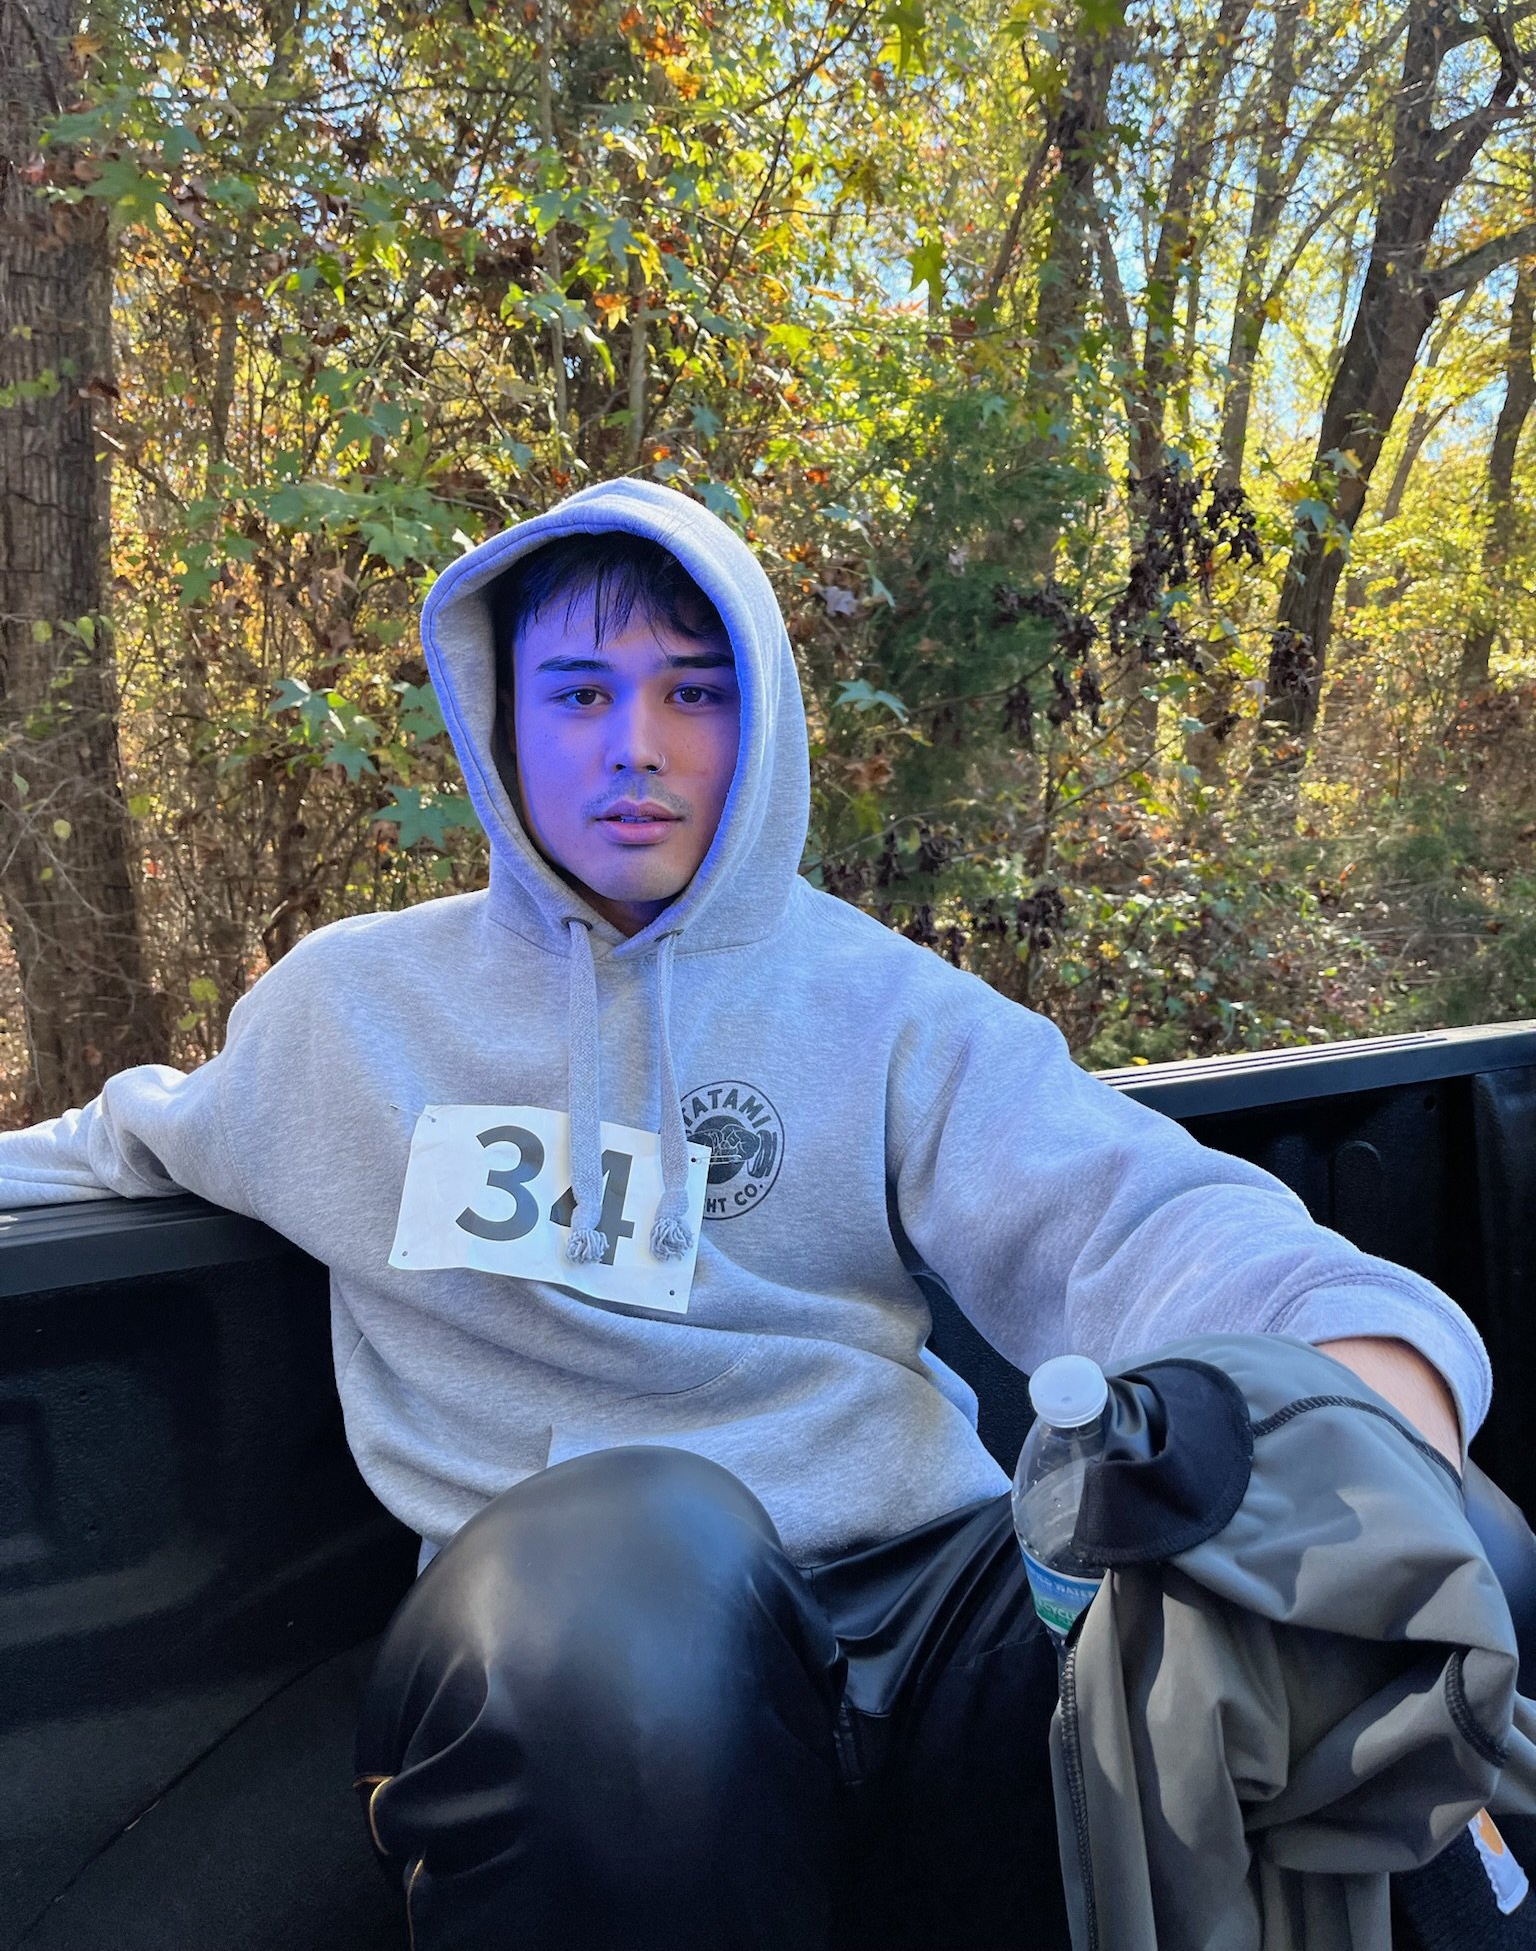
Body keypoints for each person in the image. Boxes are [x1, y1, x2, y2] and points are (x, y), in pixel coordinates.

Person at [0, 474, 1489, 1951]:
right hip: (586, 1653)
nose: (634, 750)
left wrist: (1369, 1372)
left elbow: (1127, 1212)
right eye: (576, 693)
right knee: (630, 1567)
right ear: (494, 721)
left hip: (934, 1614)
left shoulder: (880, 1006)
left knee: (1373, 1552)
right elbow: (102, 1147)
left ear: (758, 717)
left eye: (694, 694)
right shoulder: (349, 1015)